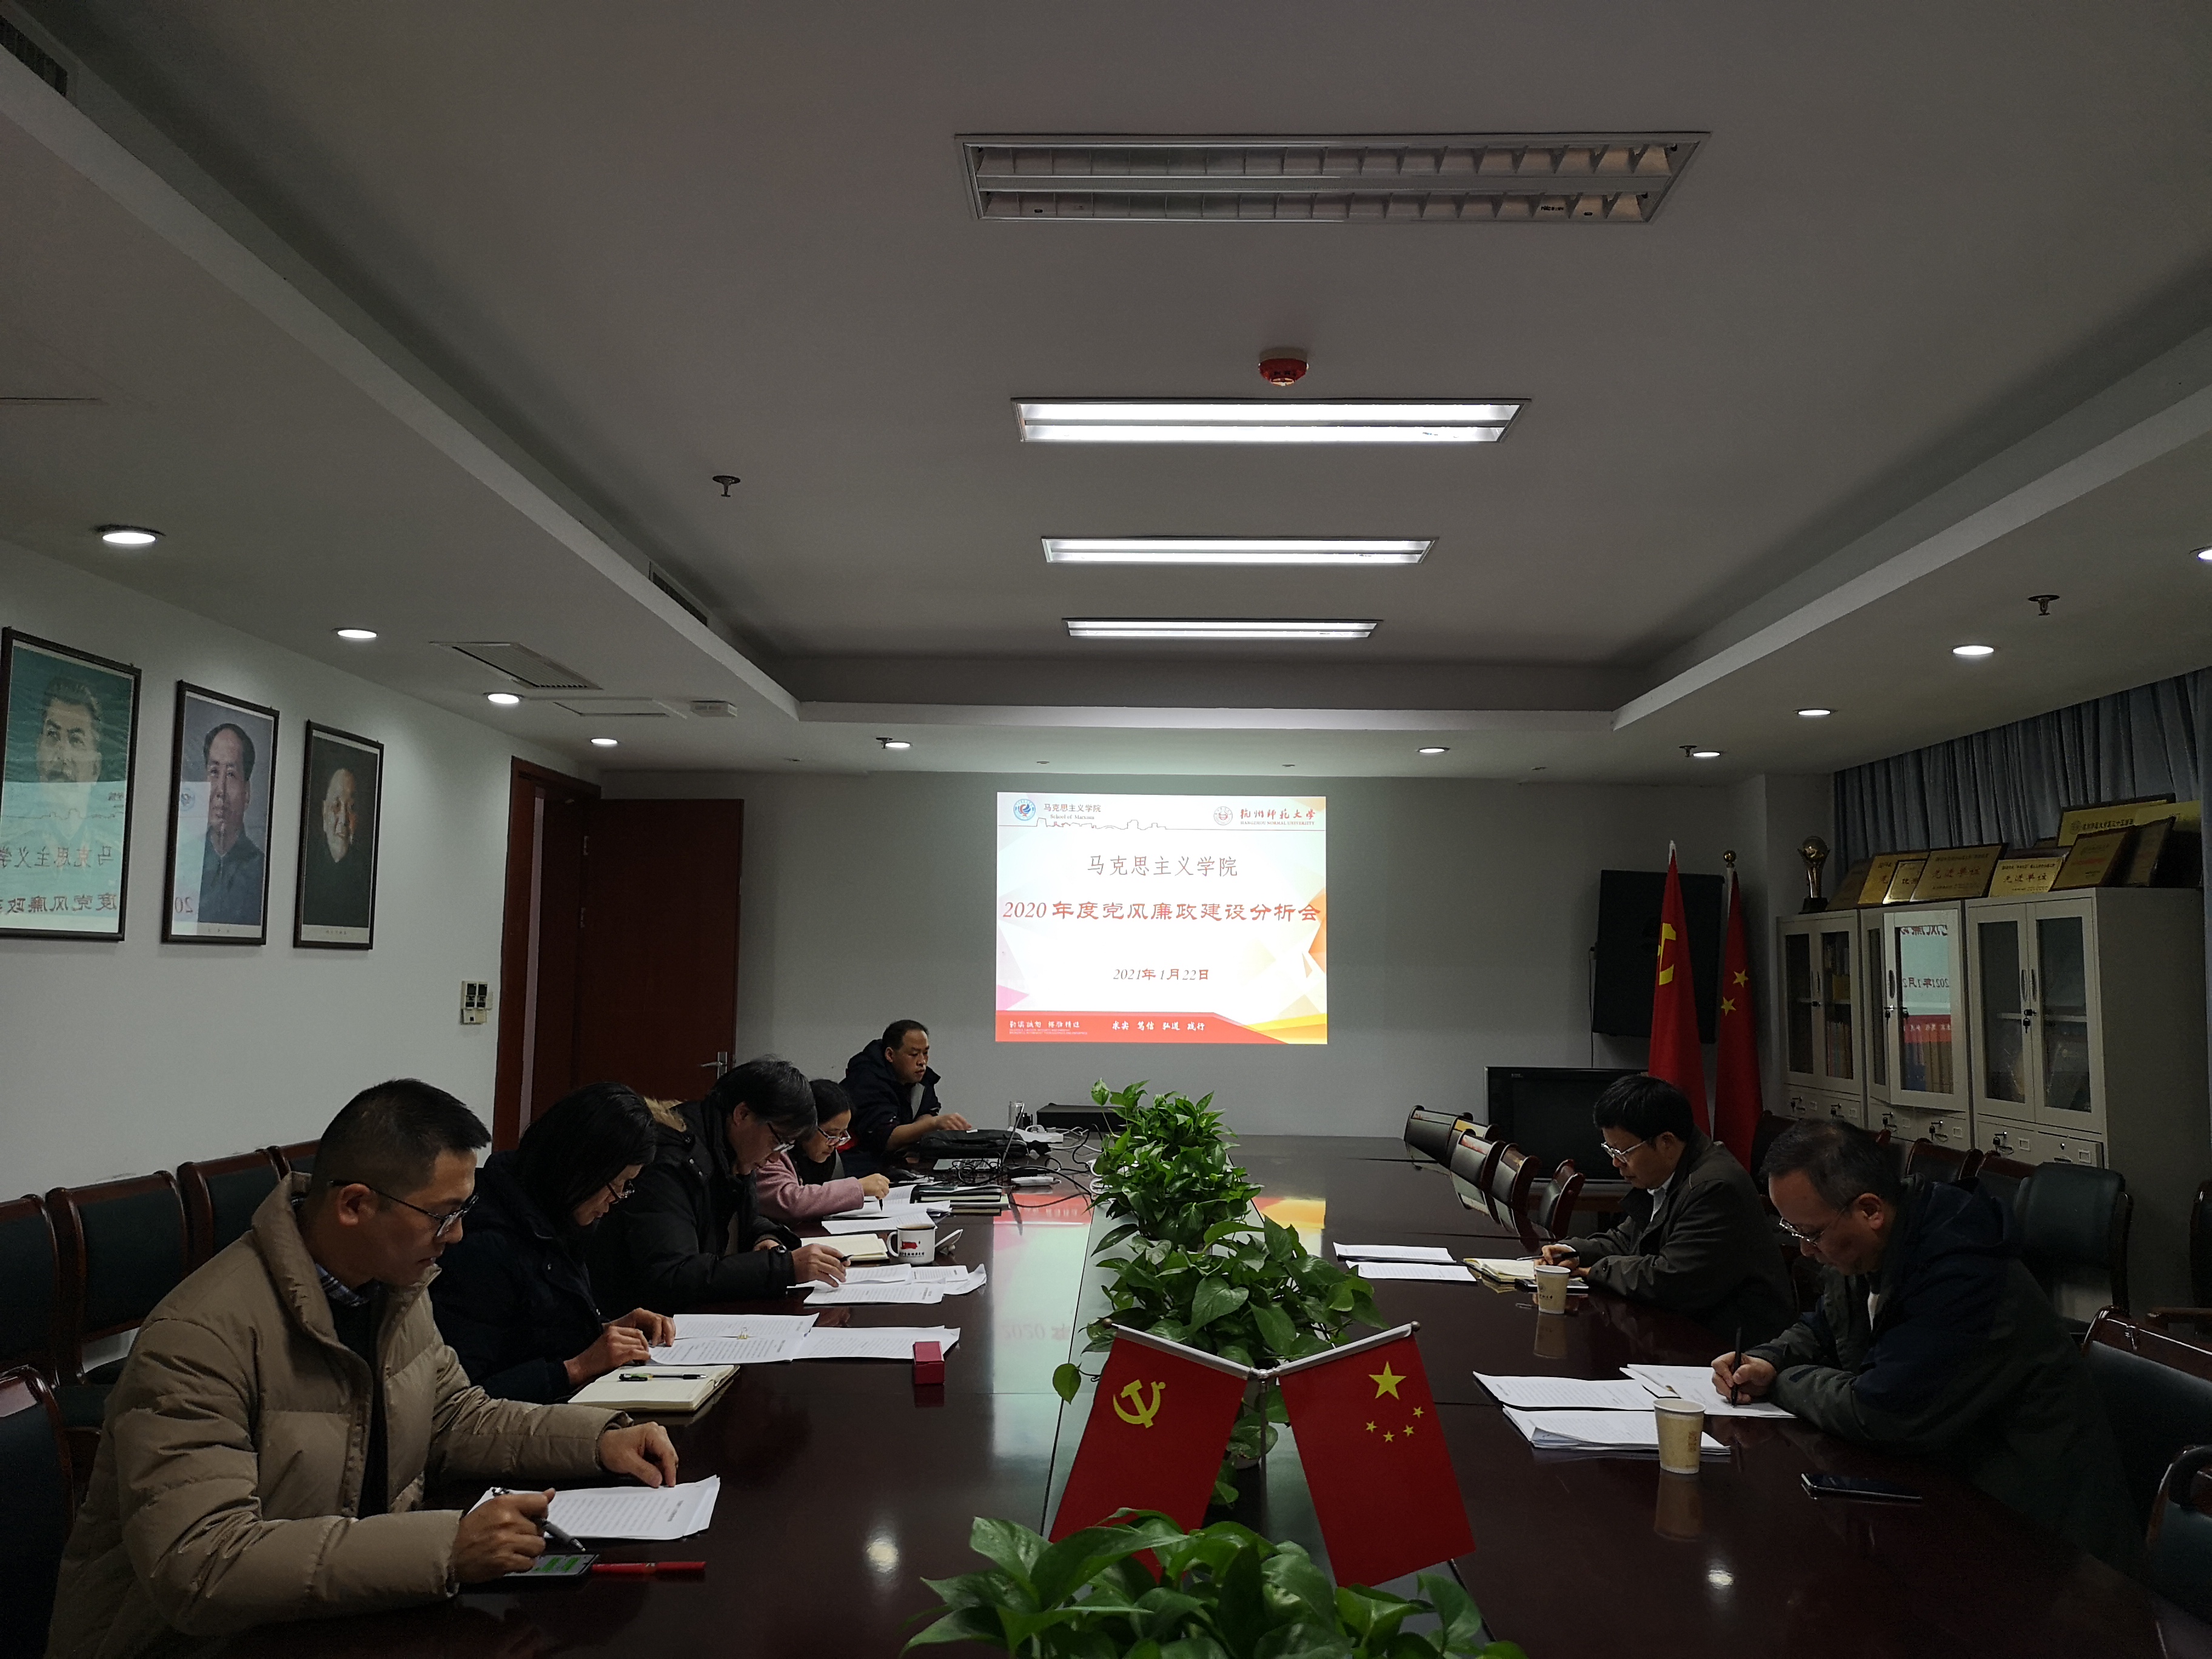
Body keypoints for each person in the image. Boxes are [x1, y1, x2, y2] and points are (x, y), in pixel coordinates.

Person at [47, 1079, 679, 1659]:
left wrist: (598, 1440)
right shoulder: (199, 1339)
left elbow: (454, 1417)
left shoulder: (393, 1287)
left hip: (333, 1619)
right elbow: (204, 1565)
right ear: (354, 1204)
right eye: (444, 1215)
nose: (458, 1236)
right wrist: (447, 1548)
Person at [1713, 1119, 2140, 1572]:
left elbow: (1878, 1412)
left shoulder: (1961, 1270)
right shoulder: (1877, 1243)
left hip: (2046, 1540)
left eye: (1812, 1234)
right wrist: (1768, 1358)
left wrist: (1783, 1381)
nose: (1805, 1250)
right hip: (1953, 1490)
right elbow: (1825, 1325)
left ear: (1870, 1209)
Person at [431, 1081, 677, 1401]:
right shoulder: (483, 1245)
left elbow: (535, 1333)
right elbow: (463, 1397)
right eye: (618, 1185)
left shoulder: (555, 1216)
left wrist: (605, 1330)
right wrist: (577, 1367)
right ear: (581, 1169)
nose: (616, 1200)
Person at [1538, 1074, 1794, 1344]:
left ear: (1666, 1143)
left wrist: (1594, 1272)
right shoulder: (1663, 1173)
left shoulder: (1714, 1188)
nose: (1616, 1163)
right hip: (1682, 1329)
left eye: (1623, 1153)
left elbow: (1672, 1280)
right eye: (1610, 1151)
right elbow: (1627, 1240)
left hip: (1731, 1345)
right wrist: (1574, 1252)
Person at [588, 1055, 850, 1312]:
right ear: (742, 1114)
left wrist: (765, 1239)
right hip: (640, 1322)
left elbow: (739, 1220)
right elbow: (673, 1276)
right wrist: (783, 1268)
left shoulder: (731, 1150)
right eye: (778, 1141)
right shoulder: (671, 1162)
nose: (775, 1158)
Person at [755, 1079, 895, 1223]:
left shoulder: (827, 1159)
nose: (835, 1144)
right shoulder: (773, 1154)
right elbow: (791, 1203)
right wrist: (858, 1188)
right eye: (831, 1134)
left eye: (842, 1134)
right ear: (806, 1127)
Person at [840, 1019, 970, 1175]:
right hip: (861, 1166)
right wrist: (934, 1124)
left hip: (899, 1164)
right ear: (890, 1055)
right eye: (914, 1054)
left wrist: (921, 1133)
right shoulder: (865, 1081)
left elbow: (926, 1111)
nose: (922, 1062)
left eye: (925, 1053)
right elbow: (886, 1138)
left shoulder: (920, 1078)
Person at [195, 721, 267, 926]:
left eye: (231, 775)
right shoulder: (185, 862)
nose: (221, 790)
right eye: (214, 772)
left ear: (247, 793)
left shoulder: (262, 872)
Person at [301, 761, 373, 927]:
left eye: (351, 807)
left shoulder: (366, 873)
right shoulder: (307, 866)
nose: (343, 819)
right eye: (336, 805)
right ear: (324, 811)